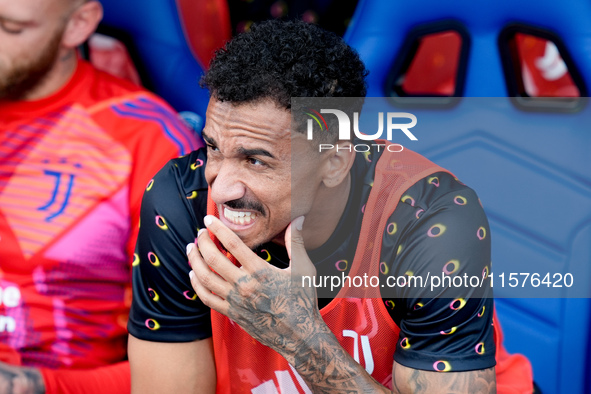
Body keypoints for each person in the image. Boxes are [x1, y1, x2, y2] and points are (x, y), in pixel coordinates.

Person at [128, 19, 533, 393]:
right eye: (214, 148)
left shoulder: (430, 222)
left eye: (256, 160)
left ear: (335, 160)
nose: (222, 189)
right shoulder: (183, 202)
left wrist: (298, 337)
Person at [0, 0, 201, 392]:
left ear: (78, 25)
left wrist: (33, 385)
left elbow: (198, 363)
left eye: (10, 28)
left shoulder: (147, 141)